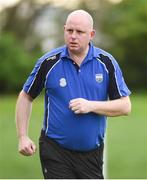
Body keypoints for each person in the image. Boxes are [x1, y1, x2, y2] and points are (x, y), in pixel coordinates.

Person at [15, 9, 131, 179]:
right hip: (55, 150)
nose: (73, 36)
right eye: (69, 31)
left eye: (80, 32)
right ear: (64, 30)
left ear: (91, 34)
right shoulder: (48, 62)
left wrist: (90, 105)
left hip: (92, 154)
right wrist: (23, 137)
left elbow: (125, 106)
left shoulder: (106, 63)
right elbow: (26, 96)